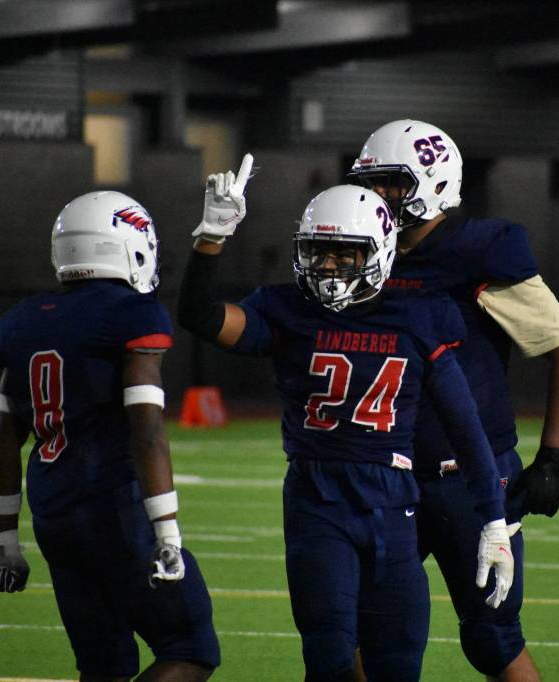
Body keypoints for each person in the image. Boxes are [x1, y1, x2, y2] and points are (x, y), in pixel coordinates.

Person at [177, 160, 518, 682]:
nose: (330, 266)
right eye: (319, 252)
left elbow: (464, 426)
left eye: (345, 253)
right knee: (330, 656)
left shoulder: (419, 314)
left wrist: (493, 519)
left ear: (379, 252)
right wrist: (211, 240)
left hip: (394, 503)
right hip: (318, 502)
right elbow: (201, 317)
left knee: (397, 664)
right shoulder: (286, 309)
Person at [348, 119, 559, 682]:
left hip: (468, 480)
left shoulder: (479, 252)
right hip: (388, 476)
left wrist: (552, 458)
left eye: (391, 183)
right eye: (372, 182)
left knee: (492, 639)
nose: (377, 196)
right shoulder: (364, 250)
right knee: (355, 635)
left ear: (431, 185)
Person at [0, 191, 220, 681]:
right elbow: (147, 431)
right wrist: (167, 530)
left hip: (54, 515)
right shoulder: (131, 314)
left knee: (102, 668)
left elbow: (6, 437)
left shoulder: (21, 324)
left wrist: (5, 540)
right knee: (190, 649)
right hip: (116, 511)